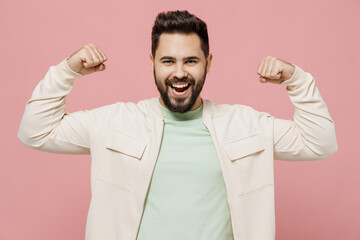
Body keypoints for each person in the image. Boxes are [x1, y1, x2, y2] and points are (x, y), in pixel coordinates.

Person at [17, 10, 337, 240]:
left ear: (208, 64)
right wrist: (67, 71)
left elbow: (319, 142)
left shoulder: (245, 125)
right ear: (153, 62)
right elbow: (35, 131)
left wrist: (296, 80)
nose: (179, 73)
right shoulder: (114, 122)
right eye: (168, 61)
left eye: (191, 61)